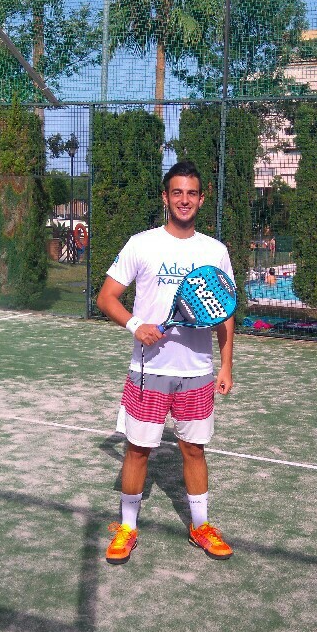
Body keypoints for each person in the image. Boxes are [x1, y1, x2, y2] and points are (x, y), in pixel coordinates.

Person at [96, 161, 235, 565]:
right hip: (148, 371)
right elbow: (106, 297)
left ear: (201, 199)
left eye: (191, 193)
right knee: (138, 449)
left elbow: (224, 311)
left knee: (193, 449)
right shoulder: (141, 244)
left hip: (197, 372)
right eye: (177, 192)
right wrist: (135, 325)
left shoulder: (215, 251)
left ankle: (200, 526)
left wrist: (226, 365)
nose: (184, 200)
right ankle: (127, 528)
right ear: (165, 197)